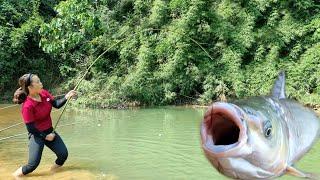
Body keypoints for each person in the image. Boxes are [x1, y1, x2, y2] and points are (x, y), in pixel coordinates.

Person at [12, 73, 77, 178]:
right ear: (30, 87)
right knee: (32, 165)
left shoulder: (44, 93)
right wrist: (46, 136)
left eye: (40, 80)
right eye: (38, 82)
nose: (41, 83)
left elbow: (56, 104)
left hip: (49, 130)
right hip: (37, 134)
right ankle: (14, 176)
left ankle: (52, 173)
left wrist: (66, 97)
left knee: (63, 155)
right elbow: (31, 128)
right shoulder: (27, 106)